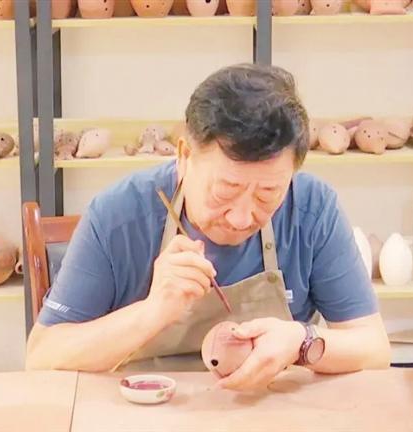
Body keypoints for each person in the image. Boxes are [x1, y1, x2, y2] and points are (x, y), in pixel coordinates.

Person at [25, 63, 391, 391]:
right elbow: (42, 355)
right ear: (184, 156)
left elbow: (374, 348)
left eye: (267, 195)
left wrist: (302, 341)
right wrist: (152, 310)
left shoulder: (311, 209)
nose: (242, 218)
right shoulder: (118, 216)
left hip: (266, 411)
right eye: (225, 191)